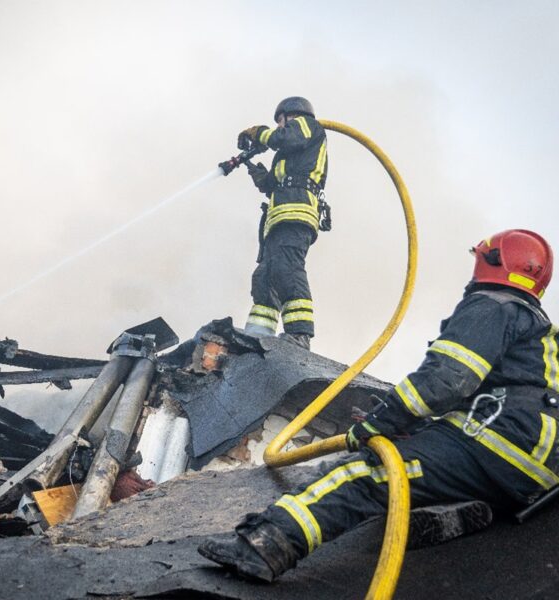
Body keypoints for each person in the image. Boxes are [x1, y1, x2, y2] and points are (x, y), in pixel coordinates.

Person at [199, 229, 557, 582]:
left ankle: (266, 544)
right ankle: (459, 509)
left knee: (365, 474)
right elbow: (478, 397)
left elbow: (444, 382)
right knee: (422, 466)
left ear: (490, 261)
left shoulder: (493, 306)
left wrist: (377, 424)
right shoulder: (537, 331)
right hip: (534, 469)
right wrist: (410, 428)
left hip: (499, 441)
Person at [239, 96, 329, 350]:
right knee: (265, 276)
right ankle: (258, 335)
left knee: (287, 269)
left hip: (297, 212)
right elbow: (272, 185)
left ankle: (300, 334)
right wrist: (258, 174)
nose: (280, 126)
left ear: (294, 114)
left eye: (281, 120)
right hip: (279, 218)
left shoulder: (308, 126)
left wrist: (259, 133)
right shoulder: (286, 156)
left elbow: (286, 138)